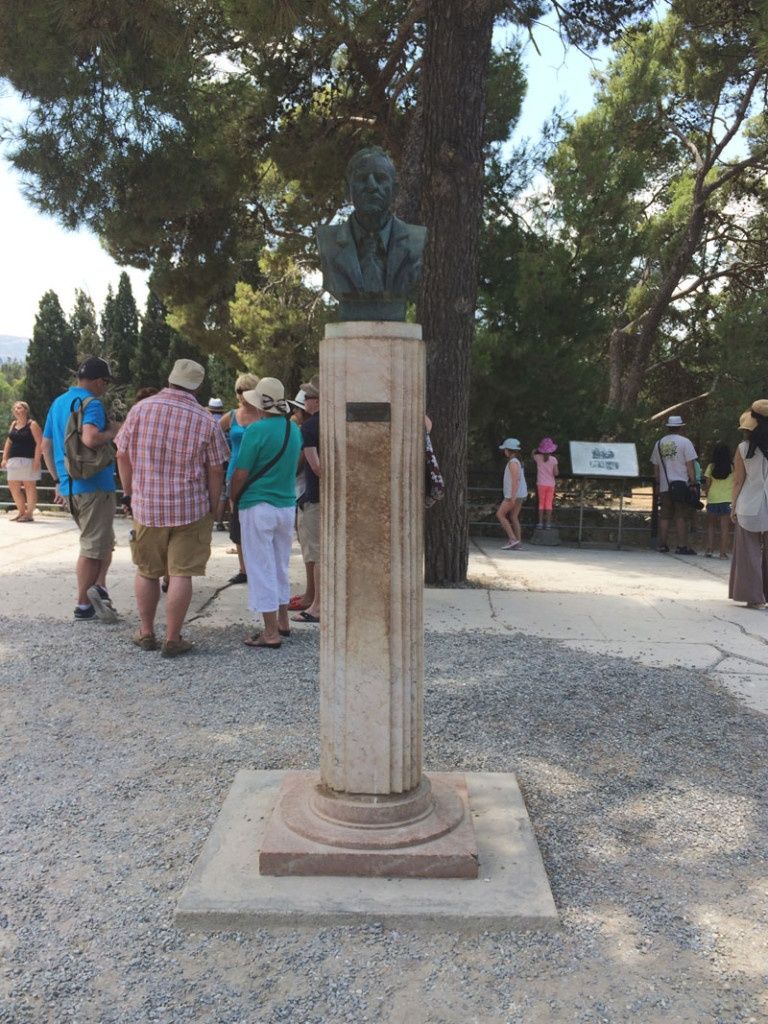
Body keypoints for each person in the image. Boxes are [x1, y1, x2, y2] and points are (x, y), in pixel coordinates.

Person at [115, 359, 230, 657]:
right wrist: (214, 506)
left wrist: (128, 493)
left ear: (170, 379)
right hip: (190, 508)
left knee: (147, 572)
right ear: (197, 387)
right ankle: (173, 638)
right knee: (181, 573)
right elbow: (216, 469)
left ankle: (146, 632)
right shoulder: (206, 420)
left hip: (147, 507)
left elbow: (122, 454)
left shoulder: (140, 410)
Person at [41, 357, 120, 622]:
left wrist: (57, 480)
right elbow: (90, 438)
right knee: (92, 547)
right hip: (94, 485)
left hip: (70, 486)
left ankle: (99, 589)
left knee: (102, 541)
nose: (105, 387)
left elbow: (45, 446)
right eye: (105, 382)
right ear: (97, 381)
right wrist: (114, 431)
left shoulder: (58, 403)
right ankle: (83, 605)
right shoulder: (92, 403)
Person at [230, 377, 302, 650]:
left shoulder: (256, 430)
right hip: (286, 505)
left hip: (258, 504)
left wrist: (233, 496)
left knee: (260, 567)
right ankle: (283, 621)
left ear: (260, 405)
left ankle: (270, 632)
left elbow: (241, 472)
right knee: (280, 564)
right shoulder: (293, 429)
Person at [317, 146, 426, 321]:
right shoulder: (328, 242)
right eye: (362, 178)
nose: (371, 186)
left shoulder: (416, 240)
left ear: (395, 190)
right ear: (347, 190)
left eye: (381, 178)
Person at [218, 373, 260, 584]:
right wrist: (223, 456)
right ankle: (243, 569)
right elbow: (213, 435)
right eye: (239, 391)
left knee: (257, 521)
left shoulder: (263, 415)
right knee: (238, 522)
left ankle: (257, 566)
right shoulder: (232, 415)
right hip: (234, 472)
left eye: (246, 390)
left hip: (258, 473)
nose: (242, 395)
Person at [729, 401, 768, 609]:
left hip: (748, 505)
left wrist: (733, 506)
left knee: (749, 553)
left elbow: (738, 481)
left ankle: (754, 597)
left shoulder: (743, 448)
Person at [292, 375, 321, 623]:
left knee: (315, 552)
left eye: (308, 398)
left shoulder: (309, 427)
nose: (306, 403)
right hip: (332, 497)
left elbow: (316, 466)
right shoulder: (336, 422)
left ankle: (317, 606)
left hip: (313, 496)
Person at [650, 414, 698, 555]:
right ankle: (681, 546)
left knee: (665, 516)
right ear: (680, 427)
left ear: (668, 427)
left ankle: (662, 545)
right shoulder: (685, 442)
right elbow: (690, 465)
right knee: (680, 515)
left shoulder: (659, 443)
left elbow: (656, 467)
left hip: (665, 485)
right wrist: (693, 482)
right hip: (681, 485)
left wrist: (658, 483)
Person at [2, 400, 43, 522]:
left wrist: (37, 460)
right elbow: (9, 442)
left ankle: (29, 514)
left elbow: (39, 443)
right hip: (13, 460)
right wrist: (4, 458)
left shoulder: (32, 424)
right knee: (13, 486)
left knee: (29, 486)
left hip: (28, 460)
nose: (16, 410)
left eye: (19, 408)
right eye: (15, 408)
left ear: (26, 410)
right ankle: (21, 512)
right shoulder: (13, 424)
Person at [702, 442, 734, 559]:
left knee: (711, 526)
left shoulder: (711, 467)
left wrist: (706, 493)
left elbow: (707, 484)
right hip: (727, 499)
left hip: (713, 499)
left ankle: (709, 550)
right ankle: (722, 553)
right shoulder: (732, 467)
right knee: (724, 527)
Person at [496, 438, 527, 550]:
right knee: (514, 517)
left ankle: (513, 539)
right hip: (520, 494)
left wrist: (512, 497)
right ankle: (518, 543)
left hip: (512, 494)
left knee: (500, 514)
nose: (504, 451)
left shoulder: (513, 462)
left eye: (505, 449)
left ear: (508, 450)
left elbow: (515, 480)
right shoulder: (517, 462)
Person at [533, 437, 558, 529]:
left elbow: (532, 454)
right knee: (548, 504)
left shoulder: (537, 458)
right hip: (550, 484)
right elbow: (556, 473)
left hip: (540, 483)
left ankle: (540, 523)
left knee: (541, 503)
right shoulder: (554, 460)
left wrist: (534, 451)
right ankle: (548, 523)